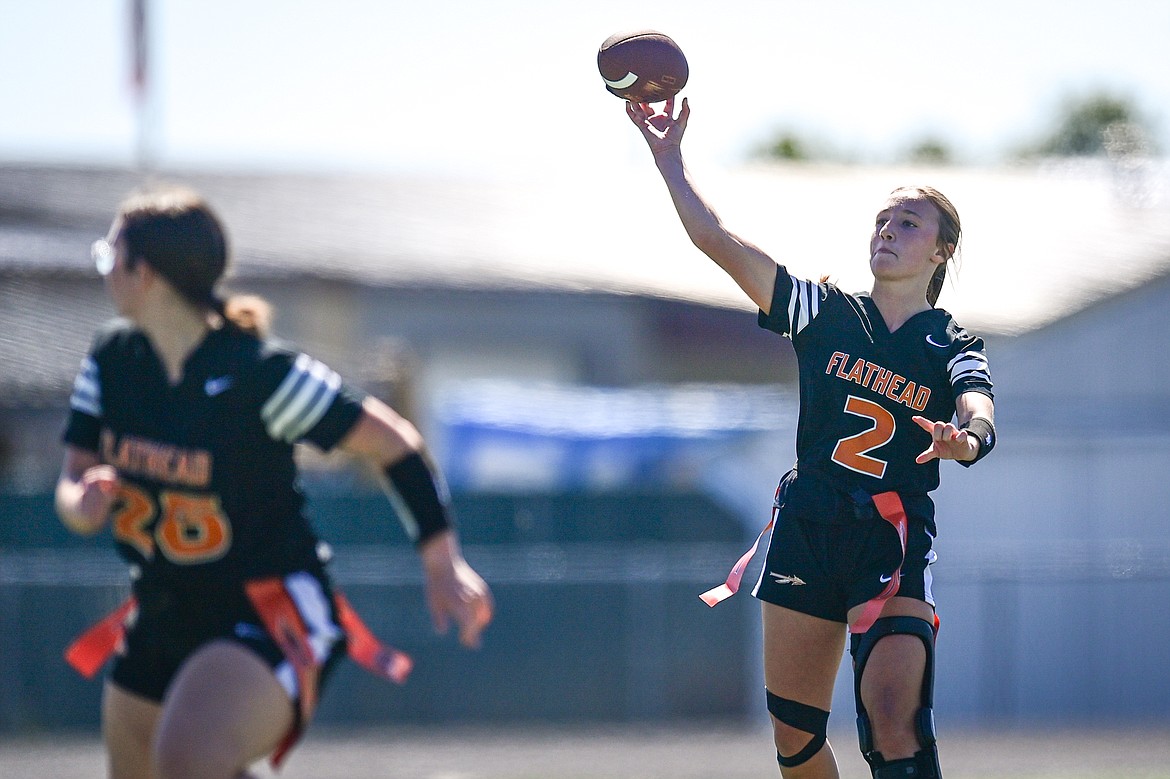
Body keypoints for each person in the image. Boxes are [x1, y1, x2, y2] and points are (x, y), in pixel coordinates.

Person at [56, 185, 494, 779]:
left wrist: (442, 560)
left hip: (266, 609)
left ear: (147, 275)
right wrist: (81, 506)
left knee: (188, 759)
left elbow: (395, 442)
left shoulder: (259, 375)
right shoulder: (112, 359)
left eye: (112, 257)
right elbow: (73, 479)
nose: (104, 271)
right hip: (162, 606)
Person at [626, 98, 995, 779]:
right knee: (795, 744)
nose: (887, 230)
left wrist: (963, 437)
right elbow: (717, 239)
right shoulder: (823, 311)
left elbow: (979, 405)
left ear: (942, 249)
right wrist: (668, 159)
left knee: (892, 722)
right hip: (808, 526)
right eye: (882, 220)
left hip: (889, 531)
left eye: (908, 223)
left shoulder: (951, 341)